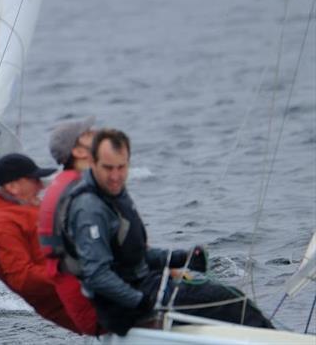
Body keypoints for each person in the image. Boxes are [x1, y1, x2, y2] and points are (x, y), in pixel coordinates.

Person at [56, 128, 273, 335]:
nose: (115, 176)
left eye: (121, 167)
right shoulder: (89, 209)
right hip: (128, 307)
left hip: (145, 287)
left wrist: (180, 258)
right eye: (108, 168)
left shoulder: (112, 193)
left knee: (229, 296)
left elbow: (131, 255)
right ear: (92, 163)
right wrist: (140, 301)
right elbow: (97, 275)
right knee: (235, 304)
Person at [0, 153, 80, 333]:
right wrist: (77, 273)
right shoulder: (0, 223)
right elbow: (23, 279)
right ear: (13, 187)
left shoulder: (22, 210)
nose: (40, 185)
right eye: (34, 180)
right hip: (76, 301)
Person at [38, 116, 99, 335]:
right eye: (90, 134)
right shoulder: (79, 192)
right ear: (79, 151)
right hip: (101, 310)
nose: (99, 135)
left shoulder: (71, 184)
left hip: (90, 303)